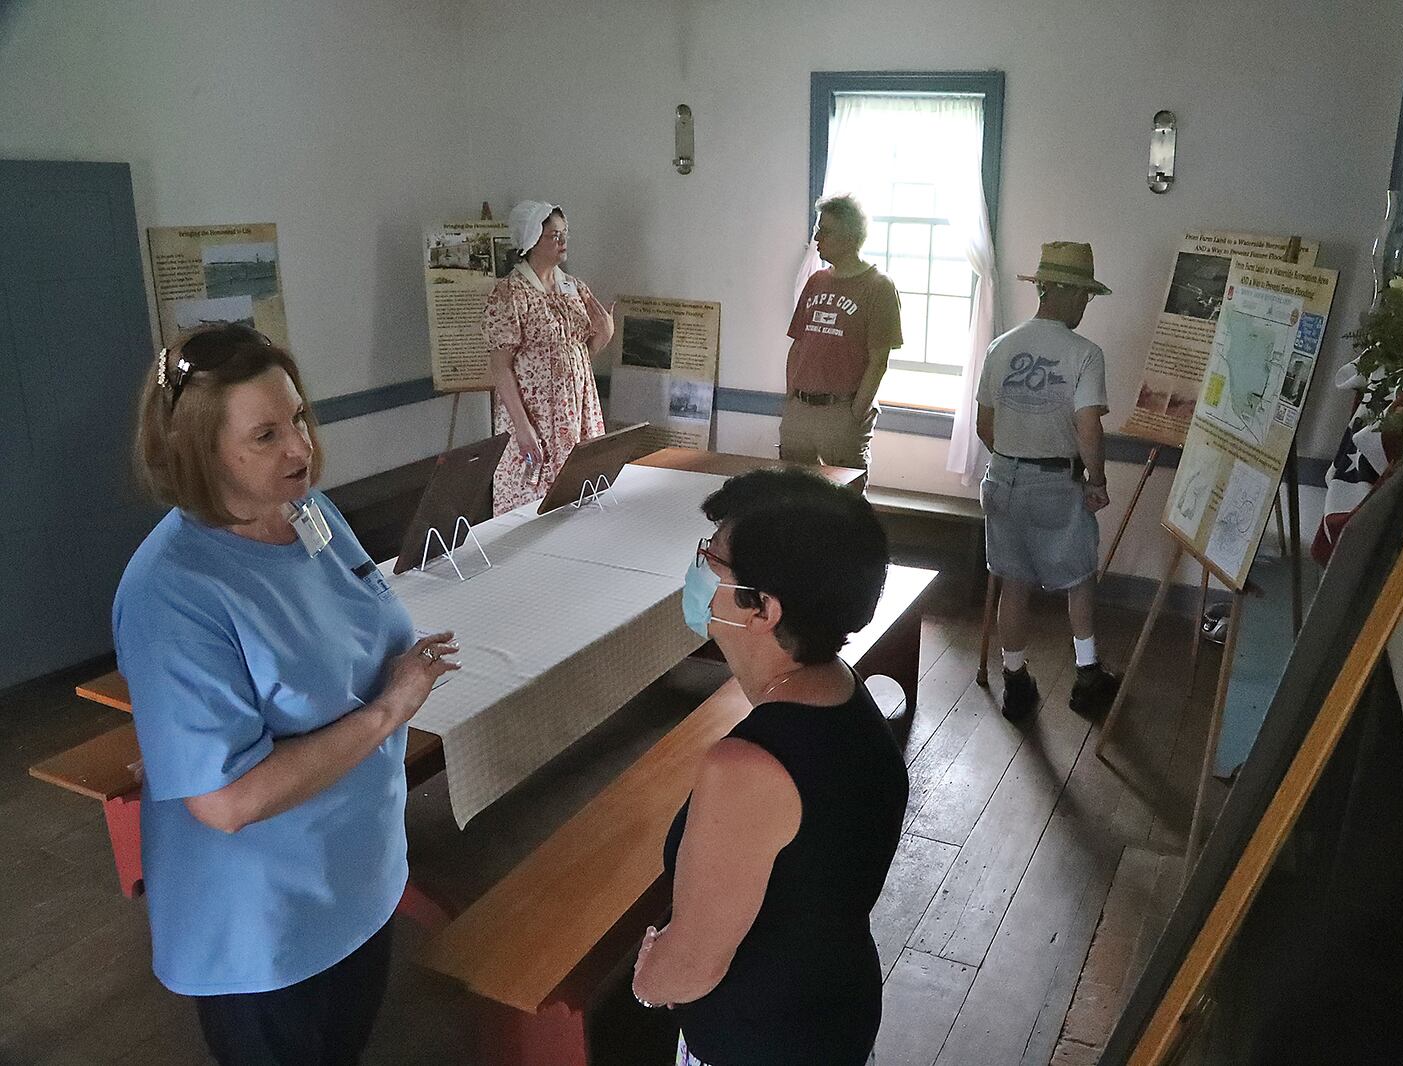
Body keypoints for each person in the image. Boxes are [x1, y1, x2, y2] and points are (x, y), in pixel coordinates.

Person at [114, 324, 461, 1066]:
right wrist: (390, 710)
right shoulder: (172, 590)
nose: (300, 449)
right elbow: (227, 801)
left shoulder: (307, 512)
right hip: (267, 931)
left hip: (356, 881)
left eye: (298, 419)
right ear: (198, 452)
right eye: (266, 434)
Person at [631, 468, 906, 1066]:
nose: (698, 571)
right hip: (834, 1005)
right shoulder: (844, 692)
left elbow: (688, 971)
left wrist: (651, 973)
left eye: (713, 562)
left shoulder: (746, 768)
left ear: (762, 609)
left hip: (760, 1040)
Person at [975, 241, 1122, 721]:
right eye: (1083, 295)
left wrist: (1015, 453)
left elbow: (984, 425)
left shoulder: (1001, 346)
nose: (1085, 305)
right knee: (1079, 578)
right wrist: (1096, 479)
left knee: (1013, 581)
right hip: (1057, 483)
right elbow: (1088, 427)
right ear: (1059, 291)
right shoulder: (1084, 354)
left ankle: (1014, 681)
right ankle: (1087, 676)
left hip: (1001, 478)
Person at [484, 198, 614, 514]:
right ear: (530, 240)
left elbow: (580, 353)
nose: (562, 241)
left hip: (576, 408)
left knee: (580, 494)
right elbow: (500, 366)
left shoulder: (574, 287)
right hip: (534, 413)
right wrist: (522, 426)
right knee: (531, 497)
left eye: (564, 233)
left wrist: (605, 333)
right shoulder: (510, 293)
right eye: (553, 235)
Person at [780, 193, 903, 472]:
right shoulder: (816, 281)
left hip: (841, 410)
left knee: (845, 506)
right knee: (792, 498)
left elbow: (879, 360)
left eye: (825, 231)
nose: (818, 238)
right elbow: (798, 344)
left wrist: (855, 412)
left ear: (848, 238)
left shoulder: (878, 287)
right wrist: (791, 398)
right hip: (801, 408)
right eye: (817, 230)